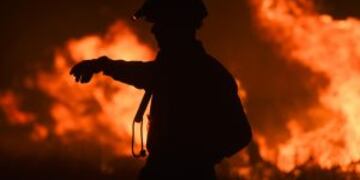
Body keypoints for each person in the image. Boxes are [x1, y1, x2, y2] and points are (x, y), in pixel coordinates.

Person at [70, 0, 252, 179]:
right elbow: (139, 72)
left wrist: (197, 158)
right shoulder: (176, 70)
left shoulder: (207, 75)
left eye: (161, 24)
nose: (154, 30)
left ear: (179, 28)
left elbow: (240, 134)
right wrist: (101, 64)